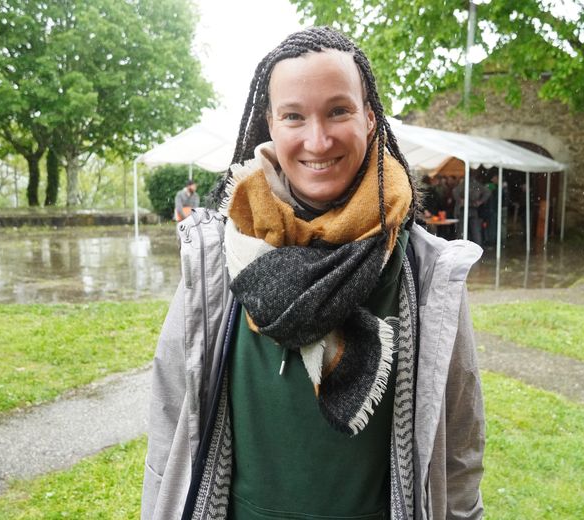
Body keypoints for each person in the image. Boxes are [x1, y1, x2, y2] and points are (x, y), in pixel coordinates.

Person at [142, 27, 484, 520]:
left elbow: (459, 445)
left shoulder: (425, 272)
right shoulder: (218, 257)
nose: (317, 140)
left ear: (370, 118)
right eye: (294, 116)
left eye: (339, 110)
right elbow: (172, 421)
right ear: (271, 125)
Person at [452, 173, 491, 247]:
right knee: (475, 231)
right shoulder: (476, 184)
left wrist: (460, 200)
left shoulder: (465, 184)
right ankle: (477, 248)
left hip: (465, 209)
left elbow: (454, 191)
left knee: (462, 231)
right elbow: (487, 192)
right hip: (473, 208)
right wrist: (480, 201)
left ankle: (461, 247)